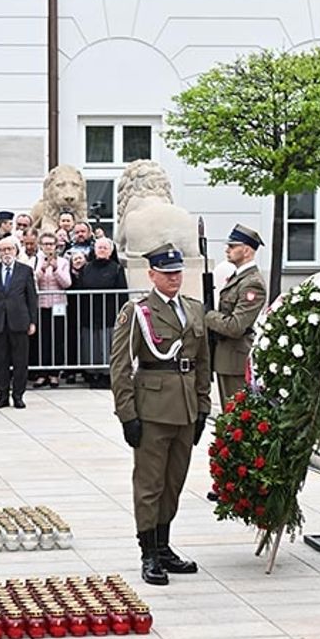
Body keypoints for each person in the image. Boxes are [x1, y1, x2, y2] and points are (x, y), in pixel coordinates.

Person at [109, 243, 210, 586]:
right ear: (151, 275)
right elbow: (121, 366)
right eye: (166, 274)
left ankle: (164, 546)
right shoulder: (138, 312)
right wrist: (127, 415)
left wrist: (203, 408)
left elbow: (202, 364)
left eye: (177, 272)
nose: (173, 279)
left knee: (174, 482)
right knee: (150, 483)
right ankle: (148, 551)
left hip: (185, 409)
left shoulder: (194, 310)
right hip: (151, 410)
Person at [205, 224, 267, 406]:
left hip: (236, 360)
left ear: (246, 250)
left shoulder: (252, 283)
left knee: (236, 416)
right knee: (229, 415)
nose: (227, 250)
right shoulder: (238, 277)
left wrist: (208, 316)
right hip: (227, 358)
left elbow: (236, 326)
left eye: (233, 246)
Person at [0, 236, 38, 409]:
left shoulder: (25, 270)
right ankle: (2, 395)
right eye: (3, 250)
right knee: (1, 361)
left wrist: (32, 321)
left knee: (20, 360)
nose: (6, 253)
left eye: (10, 249)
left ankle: (18, 395)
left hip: (19, 321)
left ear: (16, 251)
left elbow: (31, 298)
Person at [75, 238, 128, 387]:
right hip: (90, 312)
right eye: (99, 247)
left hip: (109, 312)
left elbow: (122, 293)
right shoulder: (86, 268)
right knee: (91, 344)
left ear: (111, 251)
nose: (102, 250)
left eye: (105, 247)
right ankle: (93, 373)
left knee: (107, 343)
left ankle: (107, 374)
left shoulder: (116, 268)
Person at [32, 232, 71, 389]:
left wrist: (55, 269)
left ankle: (54, 373)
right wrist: (41, 269)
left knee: (57, 339)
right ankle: (42, 373)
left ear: (56, 246)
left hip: (58, 305)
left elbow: (67, 283)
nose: (48, 247)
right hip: (41, 305)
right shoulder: (35, 261)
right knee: (43, 339)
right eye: (45, 244)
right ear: (41, 245)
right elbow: (33, 281)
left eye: (51, 244)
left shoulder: (63, 262)